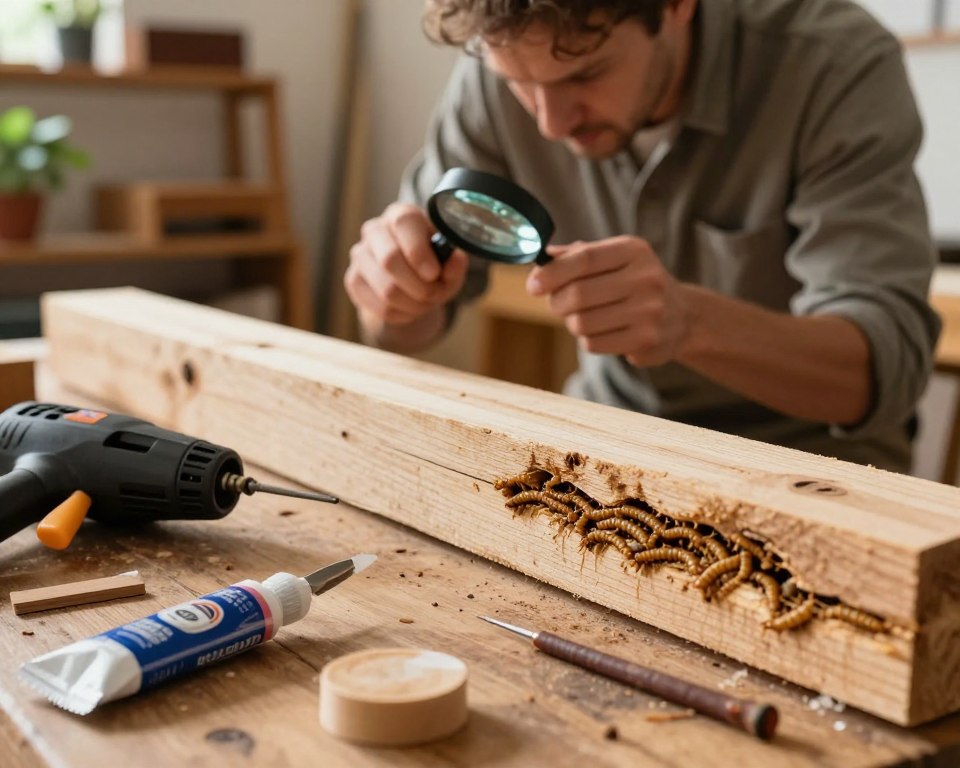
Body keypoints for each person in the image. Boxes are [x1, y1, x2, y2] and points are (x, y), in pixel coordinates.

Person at [344, 0, 942, 474]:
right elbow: (406, 330)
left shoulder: (833, 63)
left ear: (679, 5)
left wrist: (690, 323)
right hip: (616, 440)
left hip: (818, 467)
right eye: (519, 84)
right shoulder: (499, 67)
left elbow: (883, 373)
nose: (551, 123)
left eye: (586, 74)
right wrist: (396, 295)